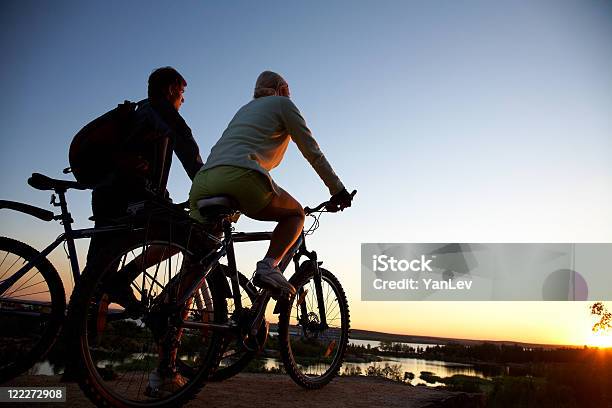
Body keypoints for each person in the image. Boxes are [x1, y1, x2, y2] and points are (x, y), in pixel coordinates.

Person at [189, 71, 353, 296]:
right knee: (295, 214)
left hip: (203, 181)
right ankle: (268, 266)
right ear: (283, 89)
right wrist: (338, 190)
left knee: (199, 261)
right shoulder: (283, 104)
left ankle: (175, 313)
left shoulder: (244, 110)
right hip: (241, 176)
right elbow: (312, 151)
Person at [87, 67, 204, 305]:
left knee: (97, 271)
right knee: (189, 232)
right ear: (171, 89)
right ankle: (122, 282)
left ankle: (76, 324)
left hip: (106, 192)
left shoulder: (137, 111)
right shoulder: (160, 109)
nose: (183, 99)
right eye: (181, 92)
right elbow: (185, 142)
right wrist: (207, 185)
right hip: (133, 195)